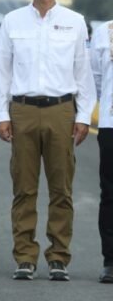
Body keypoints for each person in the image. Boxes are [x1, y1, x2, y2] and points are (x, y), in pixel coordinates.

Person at [0, 0, 95, 281]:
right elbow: (1, 73)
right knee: (24, 187)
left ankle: (58, 257)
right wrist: (1, 115)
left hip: (61, 110)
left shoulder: (74, 21)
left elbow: (83, 72)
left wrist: (81, 116)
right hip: (22, 109)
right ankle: (25, 256)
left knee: (61, 189)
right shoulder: (12, 21)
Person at [90, 20, 113, 283]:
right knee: (110, 194)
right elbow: (95, 79)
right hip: (111, 125)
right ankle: (111, 260)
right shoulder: (104, 32)